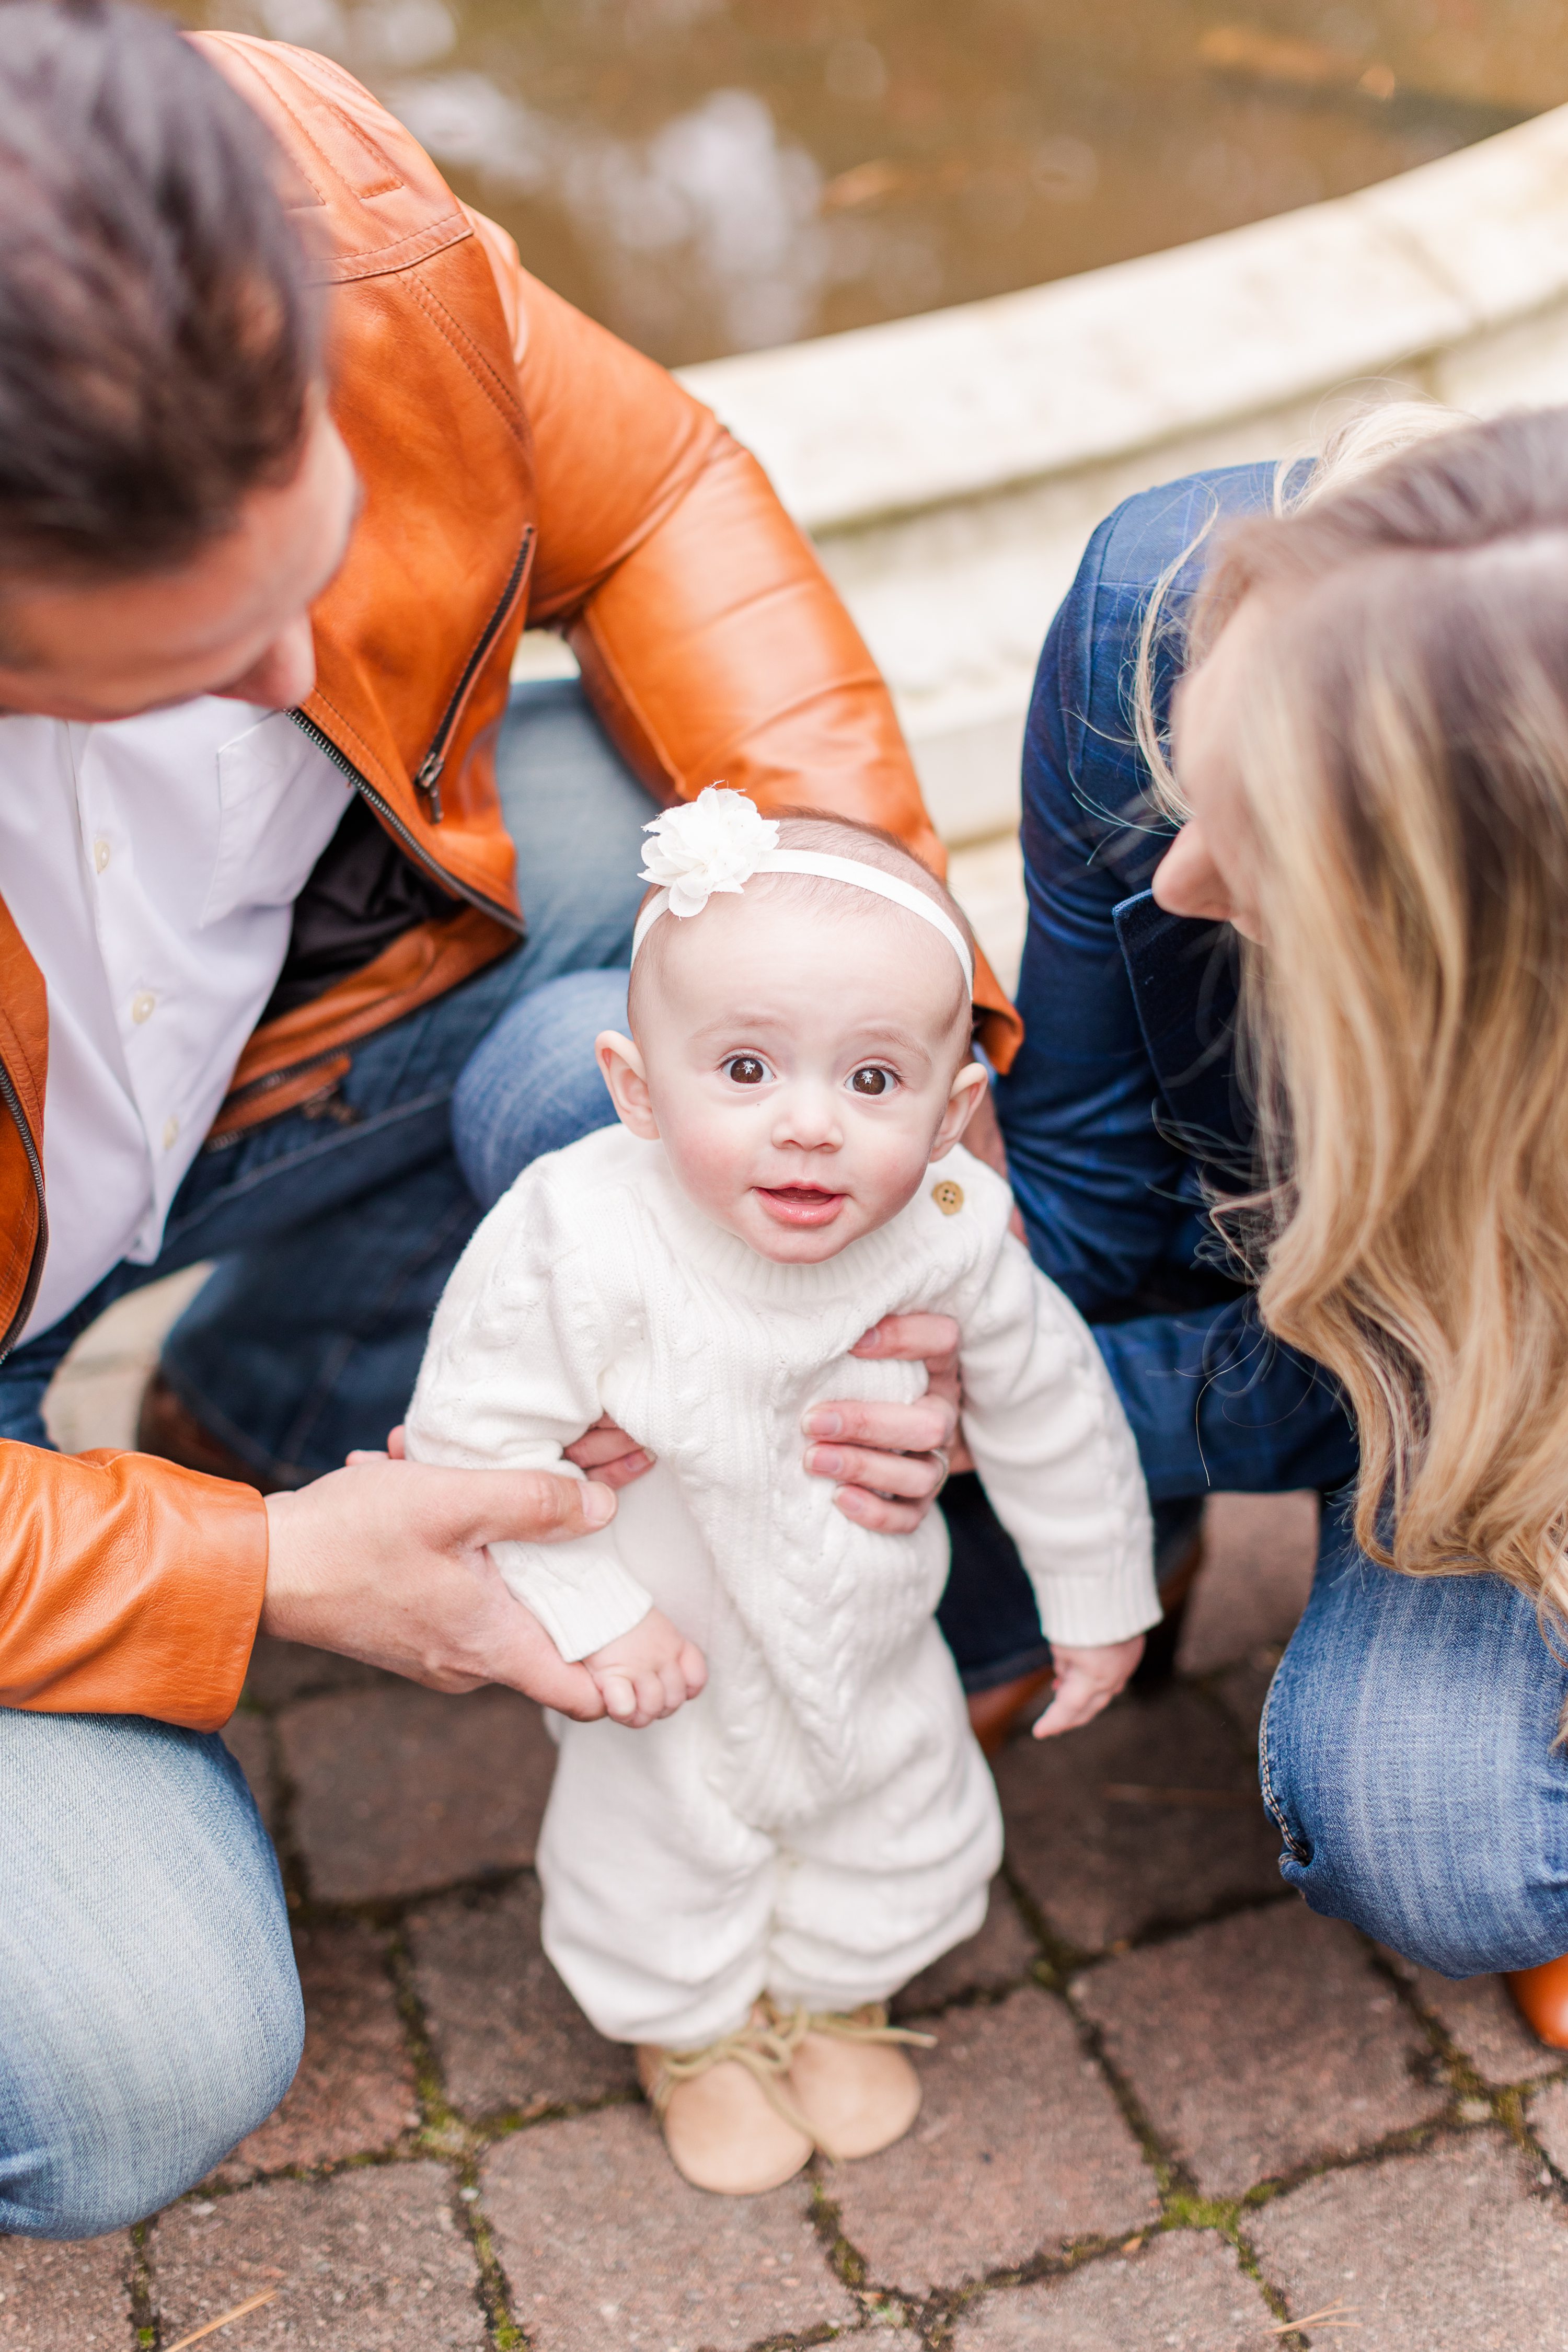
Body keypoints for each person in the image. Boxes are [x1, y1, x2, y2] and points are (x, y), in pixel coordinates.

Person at [0, 3, 1000, 2237]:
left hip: (270, 1043)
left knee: (685, 921)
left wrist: (897, 1006)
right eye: (170, 664)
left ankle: (282, 1390)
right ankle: (232, 1501)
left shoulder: (311, 197)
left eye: (313, 552)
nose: (294, 679)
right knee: (126, 2063)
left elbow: (650, 498)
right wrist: (250, 1581)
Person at [403, 792, 1156, 2195]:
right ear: (637, 1086)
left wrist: (1102, 1599)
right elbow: (471, 1445)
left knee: (892, 1795)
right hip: (664, 1642)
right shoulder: (581, 1232)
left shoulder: (948, 1228)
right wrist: (589, 1612)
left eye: (872, 1081)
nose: (809, 1126)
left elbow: (1052, 1403)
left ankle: (832, 1990)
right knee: (661, 1833)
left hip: (868, 1624)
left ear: (953, 1111)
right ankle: (688, 2031)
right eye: (744, 1068)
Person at [982, 398, 1568, 2042]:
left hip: (1516, 1385)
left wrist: (1103, 1414)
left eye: (1266, 861)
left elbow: (1496, 1377)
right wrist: (1000, 1362)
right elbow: (1087, 1153)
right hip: (1308, 1270)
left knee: (1439, 1835)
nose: (1172, 890)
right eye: (1194, 777)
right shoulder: (1148, 608)